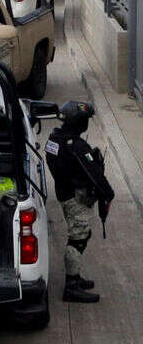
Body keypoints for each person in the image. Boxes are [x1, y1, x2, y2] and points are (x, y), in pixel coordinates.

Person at [45, 101, 114, 303]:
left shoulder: (54, 139)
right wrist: (108, 193)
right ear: (79, 123)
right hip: (76, 198)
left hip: (63, 193)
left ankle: (75, 278)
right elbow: (94, 175)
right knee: (78, 238)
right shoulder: (76, 146)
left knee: (80, 234)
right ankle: (72, 285)